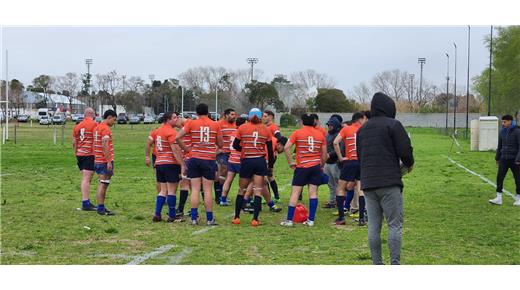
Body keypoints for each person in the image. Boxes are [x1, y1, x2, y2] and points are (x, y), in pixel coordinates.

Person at [357, 92, 414, 265]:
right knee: (394, 225)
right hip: (389, 183)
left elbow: (360, 156)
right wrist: (408, 164)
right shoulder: (393, 125)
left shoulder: (362, 130)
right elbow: (405, 152)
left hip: (368, 183)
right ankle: (395, 264)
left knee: (374, 227)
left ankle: (377, 264)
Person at [176, 103, 223, 226]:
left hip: (194, 158)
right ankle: (209, 219)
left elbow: (177, 137)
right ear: (208, 112)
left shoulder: (191, 123)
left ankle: (193, 219)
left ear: (196, 113)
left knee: (195, 189)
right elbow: (221, 144)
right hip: (208, 159)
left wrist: (187, 149)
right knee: (207, 190)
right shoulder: (215, 124)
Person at [280, 113, 327, 227]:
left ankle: (289, 220)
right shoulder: (320, 134)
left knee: (295, 192)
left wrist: (291, 162)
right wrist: (321, 165)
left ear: (302, 122)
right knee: (313, 192)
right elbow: (324, 154)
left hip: (302, 167)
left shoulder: (297, 133)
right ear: (314, 122)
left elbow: (286, 147)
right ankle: (311, 220)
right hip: (315, 166)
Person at [232, 108, 275, 226]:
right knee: (258, 190)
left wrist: (244, 150)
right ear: (261, 117)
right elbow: (270, 151)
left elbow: (235, 145)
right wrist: (270, 166)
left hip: (247, 160)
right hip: (260, 161)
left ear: (249, 117)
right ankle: (255, 219)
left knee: (242, 190)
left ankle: (236, 217)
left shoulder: (242, 128)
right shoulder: (266, 129)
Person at [146, 112, 186, 222]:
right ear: (168, 120)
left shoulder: (157, 131)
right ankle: (172, 216)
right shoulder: (172, 132)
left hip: (159, 163)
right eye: (174, 118)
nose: (177, 119)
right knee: (172, 191)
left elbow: (150, 142)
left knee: (162, 190)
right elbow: (175, 150)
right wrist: (182, 164)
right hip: (170, 164)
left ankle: (157, 214)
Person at [333, 112, 368, 225]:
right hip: (362, 162)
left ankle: (341, 217)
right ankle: (362, 218)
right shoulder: (365, 129)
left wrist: (340, 157)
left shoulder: (346, 129)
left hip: (350, 162)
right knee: (360, 189)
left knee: (340, 188)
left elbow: (335, 142)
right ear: (360, 119)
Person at [490, 114, 520, 206]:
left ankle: (518, 197)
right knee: (499, 177)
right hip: (503, 159)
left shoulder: (518, 131)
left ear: (510, 121)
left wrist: (518, 159)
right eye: (502, 122)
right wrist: (497, 158)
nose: (503, 123)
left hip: (515, 160)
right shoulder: (502, 131)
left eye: (505, 122)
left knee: (518, 178)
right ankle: (499, 198)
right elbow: (500, 146)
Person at [93, 109, 118, 216]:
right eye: (114, 119)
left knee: (102, 183)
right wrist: (108, 161)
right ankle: (101, 208)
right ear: (109, 117)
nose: (114, 122)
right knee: (103, 184)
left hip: (98, 160)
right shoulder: (105, 128)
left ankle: (101, 207)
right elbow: (105, 144)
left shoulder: (97, 127)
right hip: (104, 161)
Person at [72, 107, 98, 211]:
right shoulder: (95, 125)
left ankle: (86, 201)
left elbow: (74, 142)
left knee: (87, 178)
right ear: (92, 114)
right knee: (87, 179)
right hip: (89, 154)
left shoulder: (77, 126)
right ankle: (85, 203)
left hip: (80, 154)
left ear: (84, 115)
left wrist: (76, 154)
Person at [216, 108, 237, 205]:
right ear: (226, 115)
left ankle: (224, 196)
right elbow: (215, 137)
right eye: (232, 114)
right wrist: (217, 149)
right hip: (222, 152)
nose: (234, 116)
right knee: (223, 172)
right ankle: (219, 196)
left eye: (234, 114)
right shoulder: (219, 124)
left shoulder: (236, 125)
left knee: (230, 175)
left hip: (232, 153)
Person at [322, 116, 343, 209]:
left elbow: (340, 149)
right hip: (328, 163)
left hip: (335, 163)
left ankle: (340, 201)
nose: (329, 126)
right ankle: (332, 201)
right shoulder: (327, 135)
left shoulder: (338, 134)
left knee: (339, 183)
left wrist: (329, 155)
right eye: (328, 125)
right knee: (330, 183)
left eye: (330, 125)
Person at [263, 110, 283, 200]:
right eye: (263, 116)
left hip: (270, 156)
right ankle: (276, 196)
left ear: (270, 117)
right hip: (266, 155)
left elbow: (279, 137)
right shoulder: (265, 126)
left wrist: (277, 147)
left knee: (265, 177)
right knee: (269, 176)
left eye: (265, 116)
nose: (263, 118)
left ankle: (268, 197)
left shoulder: (273, 127)